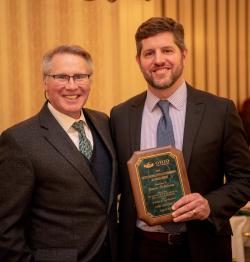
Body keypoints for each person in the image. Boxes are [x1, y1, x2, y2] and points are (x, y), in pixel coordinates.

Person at [110, 17, 250, 262]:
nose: (158, 60)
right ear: (138, 61)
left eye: (167, 50)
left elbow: (245, 178)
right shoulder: (120, 116)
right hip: (141, 250)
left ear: (184, 54)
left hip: (204, 248)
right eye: (149, 53)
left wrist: (209, 204)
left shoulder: (220, 111)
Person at [0, 45, 118, 262]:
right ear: (45, 81)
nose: (71, 86)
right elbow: (6, 227)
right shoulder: (19, 140)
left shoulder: (103, 122)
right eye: (61, 77)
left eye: (80, 76)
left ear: (90, 81)